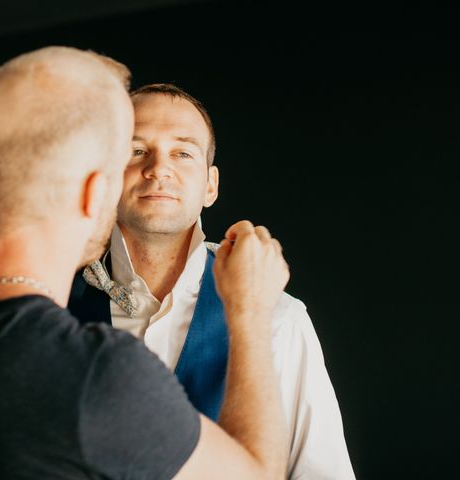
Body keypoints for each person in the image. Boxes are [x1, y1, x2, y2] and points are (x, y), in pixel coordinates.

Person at [0, 47, 291, 479]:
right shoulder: (97, 375)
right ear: (96, 193)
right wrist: (252, 314)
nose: (156, 171)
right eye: (130, 156)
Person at [68, 83, 356, 479]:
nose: (158, 168)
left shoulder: (279, 318)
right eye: (136, 151)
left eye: (183, 152)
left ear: (210, 185)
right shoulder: (54, 311)